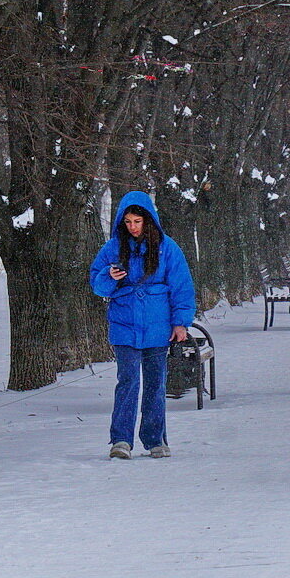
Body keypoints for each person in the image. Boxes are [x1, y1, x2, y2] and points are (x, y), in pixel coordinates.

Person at [90, 191, 196, 460]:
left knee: (155, 384)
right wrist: (109, 276)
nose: (133, 227)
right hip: (124, 324)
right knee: (127, 381)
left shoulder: (167, 247)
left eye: (137, 221)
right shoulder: (113, 247)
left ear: (148, 220)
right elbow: (97, 284)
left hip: (158, 325)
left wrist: (180, 323)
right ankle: (121, 440)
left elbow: (182, 287)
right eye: (128, 222)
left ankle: (154, 439)